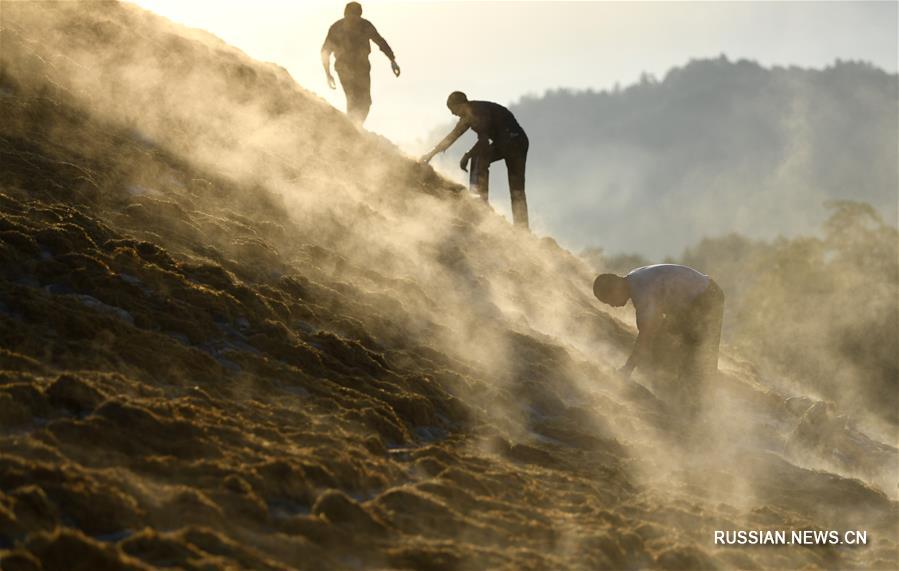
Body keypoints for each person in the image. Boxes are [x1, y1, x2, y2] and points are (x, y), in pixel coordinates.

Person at [592, 264, 724, 388]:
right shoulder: (634, 278)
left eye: (609, 301)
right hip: (694, 301)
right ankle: (674, 384)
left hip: (706, 299)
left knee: (700, 358)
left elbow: (646, 335)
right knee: (666, 339)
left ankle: (699, 401)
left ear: (615, 288)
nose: (612, 306)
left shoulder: (642, 290)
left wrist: (627, 369)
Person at [420, 91, 530, 229]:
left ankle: (479, 202)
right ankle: (522, 228)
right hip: (518, 140)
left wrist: (468, 155)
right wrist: (431, 154)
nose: (453, 114)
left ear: (462, 105)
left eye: (453, 110)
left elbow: (483, 142)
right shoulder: (469, 114)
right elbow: (452, 136)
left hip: (512, 141)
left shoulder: (476, 112)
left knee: (479, 159)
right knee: (517, 189)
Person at [321, 2, 400, 125]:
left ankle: (355, 127)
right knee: (352, 100)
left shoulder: (365, 26)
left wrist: (392, 60)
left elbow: (380, 41)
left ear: (360, 16)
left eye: (355, 16)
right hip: (343, 68)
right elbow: (325, 51)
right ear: (345, 14)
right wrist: (328, 73)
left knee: (366, 102)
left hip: (362, 68)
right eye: (350, 16)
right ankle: (352, 130)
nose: (352, 20)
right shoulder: (336, 28)